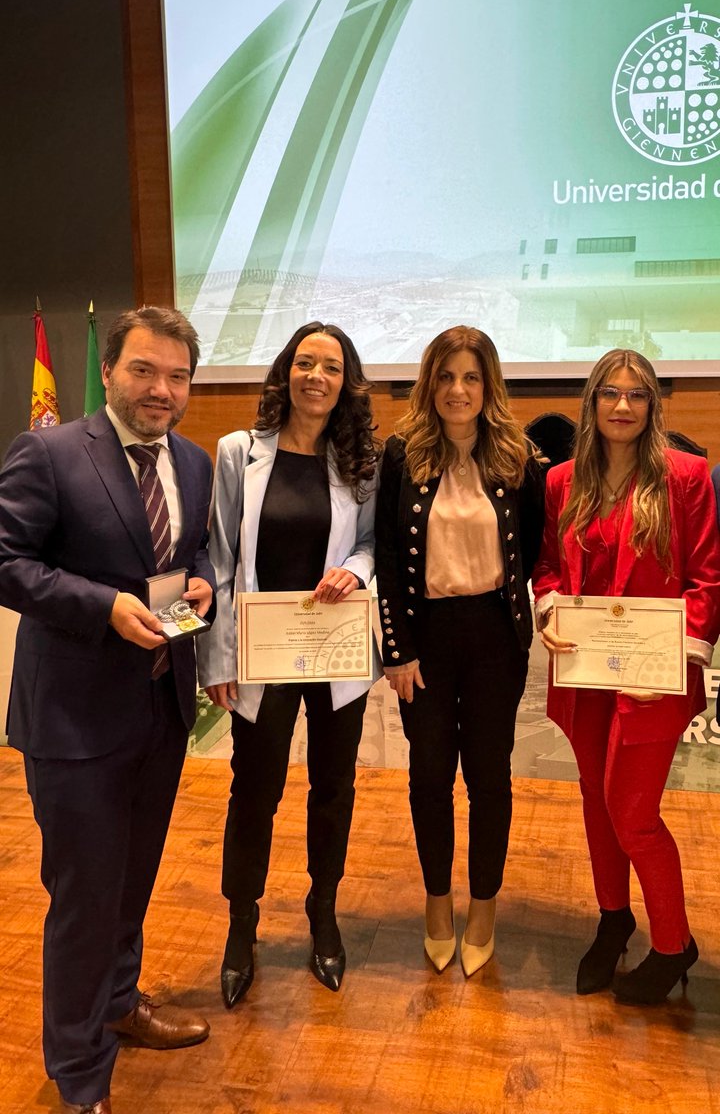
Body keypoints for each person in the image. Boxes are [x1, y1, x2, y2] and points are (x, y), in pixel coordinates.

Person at [0, 307, 216, 1114]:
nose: (162, 390)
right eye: (144, 371)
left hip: (160, 712)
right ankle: (80, 1075)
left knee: (131, 882)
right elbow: (4, 560)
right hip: (74, 725)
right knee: (84, 900)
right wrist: (100, 606)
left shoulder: (192, 463)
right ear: (108, 372)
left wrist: (202, 584)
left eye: (178, 376)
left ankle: (120, 1005)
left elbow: (187, 553)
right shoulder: (51, 452)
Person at [196, 321, 380, 1007]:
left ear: (345, 382)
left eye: (331, 367)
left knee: (333, 789)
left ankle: (322, 912)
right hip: (263, 651)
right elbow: (219, 560)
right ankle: (242, 924)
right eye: (306, 363)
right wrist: (216, 653)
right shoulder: (237, 452)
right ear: (286, 371)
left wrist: (354, 576)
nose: (317, 377)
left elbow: (370, 546)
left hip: (334, 648)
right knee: (255, 790)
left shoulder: (362, 461)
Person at [533, 349, 720, 1005]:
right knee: (595, 799)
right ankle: (614, 920)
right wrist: (548, 610)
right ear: (591, 403)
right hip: (585, 673)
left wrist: (672, 664)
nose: (621, 406)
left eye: (636, 395)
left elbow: (705, 580)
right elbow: (550, 568)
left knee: (633, 813)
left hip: (652, 677)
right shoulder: (562, 483)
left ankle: (673, 945)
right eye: (609, 393)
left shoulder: (687, 478)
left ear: (652, 406)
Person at [374, 326, 544, 976]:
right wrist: (397, 649)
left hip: (496, 638)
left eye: (471, 377)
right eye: (445, 377)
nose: (457, 390)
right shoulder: (401, 455)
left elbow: (528, 549)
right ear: (429, 383)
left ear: (488, 385)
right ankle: (437, 902)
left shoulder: (516, 459)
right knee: (428, 777)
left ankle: (484, 906)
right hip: (426, 641)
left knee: (490, 779)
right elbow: (389, 558)